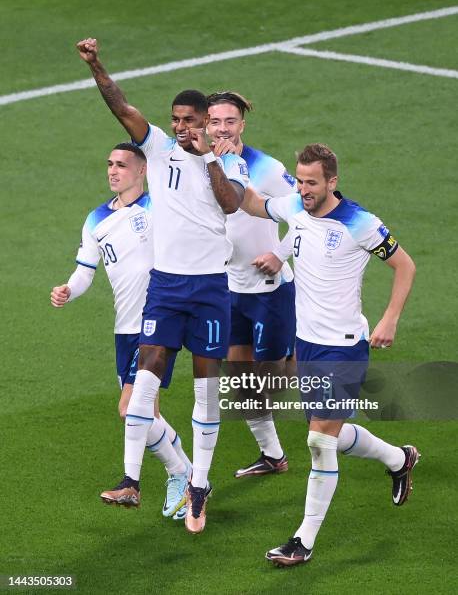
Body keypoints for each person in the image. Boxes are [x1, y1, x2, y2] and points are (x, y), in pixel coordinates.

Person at [76, 38, 249, 534]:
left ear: (205, 123)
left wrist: (208, 157)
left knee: (205, 391)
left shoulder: (228, 161)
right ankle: (131, 480)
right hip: (167, 287)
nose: (180, 127)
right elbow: (121, 106)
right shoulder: (155, 147)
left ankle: (199, 482)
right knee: (144, 383)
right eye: (176, 119)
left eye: (189, 120)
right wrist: (96, 65)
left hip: (211, 287)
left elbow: (231, 204)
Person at [242, 143, 418, 566]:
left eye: (312, 183)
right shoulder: (295, 208)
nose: (303, 189)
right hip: (308, 345)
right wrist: (225, 159)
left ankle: (302, 541)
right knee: (332, 436)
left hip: (344, 347)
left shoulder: (359, 222)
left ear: (332, 182)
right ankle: (399, 458)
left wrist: (389, 319)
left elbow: (405, 266)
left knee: (319, 441)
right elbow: (249, 201)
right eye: (300, 181)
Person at [50, 143, 191, 520]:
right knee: (149, 416)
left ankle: (151, 479)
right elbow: (85, 271)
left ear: (141, 171)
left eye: (122, 165)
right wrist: (68, 289)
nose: (113, 171)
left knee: (131, 408)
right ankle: (187, 477)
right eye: (110, 164)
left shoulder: (159, 207)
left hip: (158, 321)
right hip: (125, 327)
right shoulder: (96, 219)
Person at [206, 91, 296, 478]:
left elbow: (308, 216)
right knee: (241, 379)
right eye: (215, 122)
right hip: (227, 289)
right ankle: (273, 456)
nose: (223, 128)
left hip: (270, 289)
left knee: (274, 382)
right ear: (205, 125)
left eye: (230, 121)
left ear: (242, 124)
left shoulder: (268, 169)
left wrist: (279, 253)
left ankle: (313, 348)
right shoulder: (199, 167)